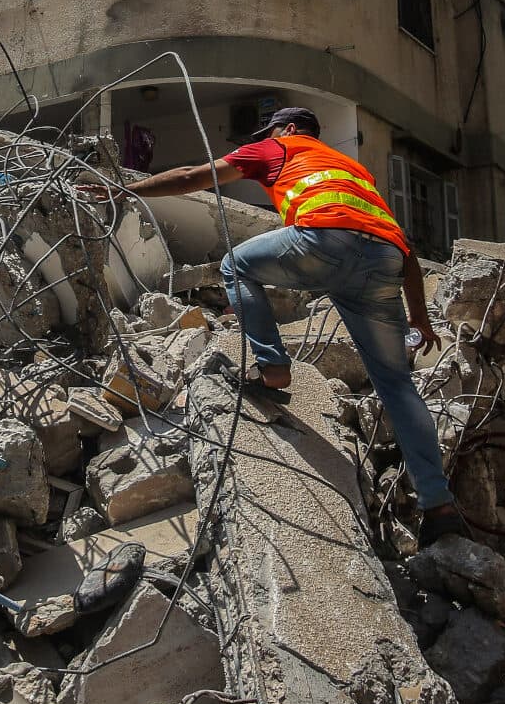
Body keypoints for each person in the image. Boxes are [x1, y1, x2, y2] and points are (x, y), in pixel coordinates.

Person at [95, 106, 463, 539]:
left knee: (235, 265)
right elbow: (409, 254)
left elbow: (194, 176)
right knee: (397, 385)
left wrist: (126, 189)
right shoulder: (353, 170)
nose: (264, 139)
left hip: (323, 240)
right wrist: (419, 318)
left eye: (268, 132)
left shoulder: (281, 147)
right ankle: (439, 506)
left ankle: (272, 367)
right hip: (385, 261)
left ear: (287, 129)